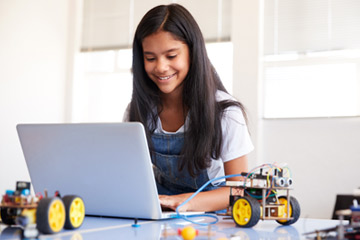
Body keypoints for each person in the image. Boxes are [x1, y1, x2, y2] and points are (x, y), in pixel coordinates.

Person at [124, 3, 254, 212]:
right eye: (150, 58)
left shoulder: (225, 112)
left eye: (171, 56)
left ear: (192, 53)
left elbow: (239, 190)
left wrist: (183, 202)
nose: (160, 67)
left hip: (210, 218)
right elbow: (131, 177)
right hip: (162, 213)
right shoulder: (138, 111)